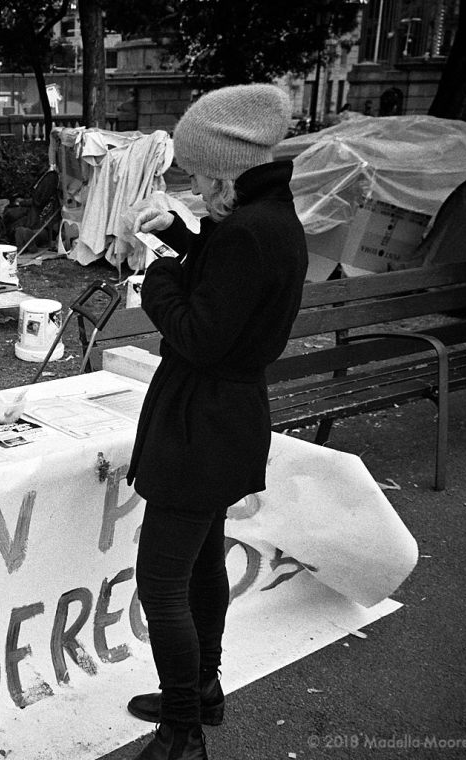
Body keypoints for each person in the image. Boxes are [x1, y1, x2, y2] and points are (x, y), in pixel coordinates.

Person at [123, 84, 308, 760]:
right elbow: (228, 281)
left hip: (200, 425)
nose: (195, 187)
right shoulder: (269, 217)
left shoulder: (249, 231)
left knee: (161, 583)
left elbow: (199, 333)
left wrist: (155, 274)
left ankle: (183, 733)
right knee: (201, 562)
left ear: (225, 169)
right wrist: (178, 235)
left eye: (200, 174)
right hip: (227, 419)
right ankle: (202, 689)